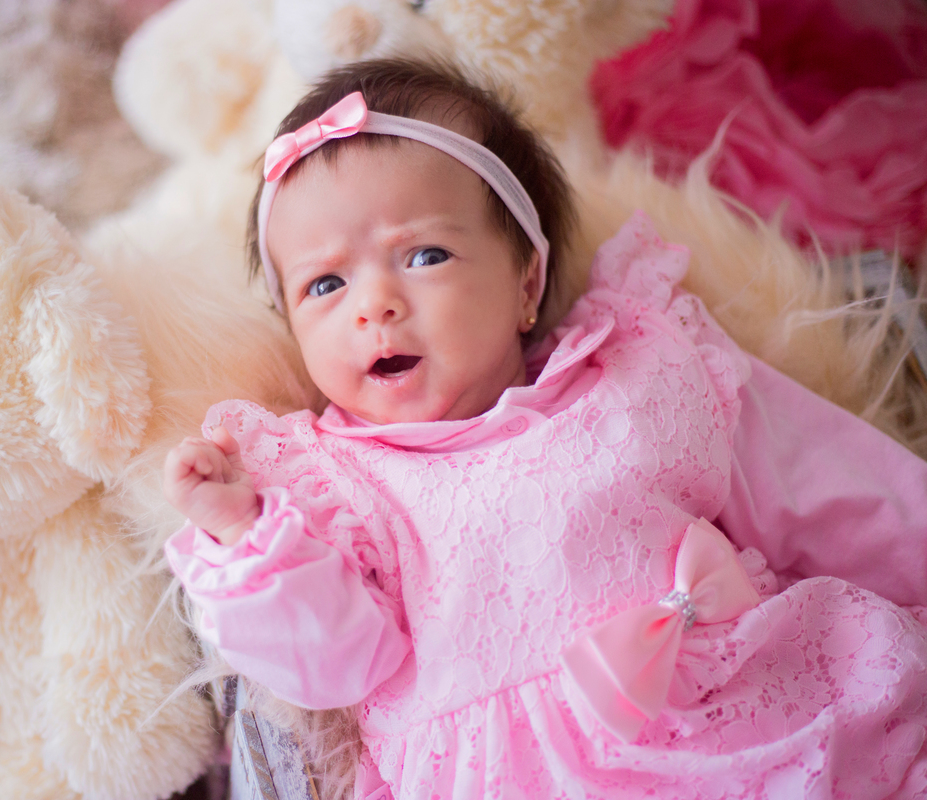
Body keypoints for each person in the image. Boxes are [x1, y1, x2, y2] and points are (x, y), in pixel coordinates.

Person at [163, 59, 927, 799]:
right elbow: (333, 664)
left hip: (754, 722)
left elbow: (830, 487)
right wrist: (247, 534)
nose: (376, 305)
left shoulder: (641, 375)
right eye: (325, 283)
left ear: (527, 281)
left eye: (424, 254)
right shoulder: (335, 487)